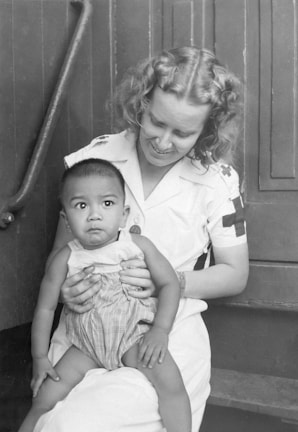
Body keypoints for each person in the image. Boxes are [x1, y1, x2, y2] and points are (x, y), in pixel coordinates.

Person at [34, 46, 249, 432]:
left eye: (183, 132)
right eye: (156, 122)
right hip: (85, 333)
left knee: (80, 423)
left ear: (208, 128)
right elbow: (60, 258)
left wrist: (171, 280)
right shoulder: (94, 159)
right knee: (54, 419)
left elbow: (235, 274)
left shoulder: (217, 180)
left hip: (164, 331)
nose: (164, 142)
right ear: (142, 103)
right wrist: (68, 289)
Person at [19, 158, 191, 432]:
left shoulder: (137, 245)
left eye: (107, 204)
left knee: (171, 384)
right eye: (81, 205)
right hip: (84, 346)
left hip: (132, 337)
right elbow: (45, 309)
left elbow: (170, 284)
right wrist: (40, 358)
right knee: (44, 398)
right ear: (65, 218)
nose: (94, 215)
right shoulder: (65, 258)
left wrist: (160, 329)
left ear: (124, 214)